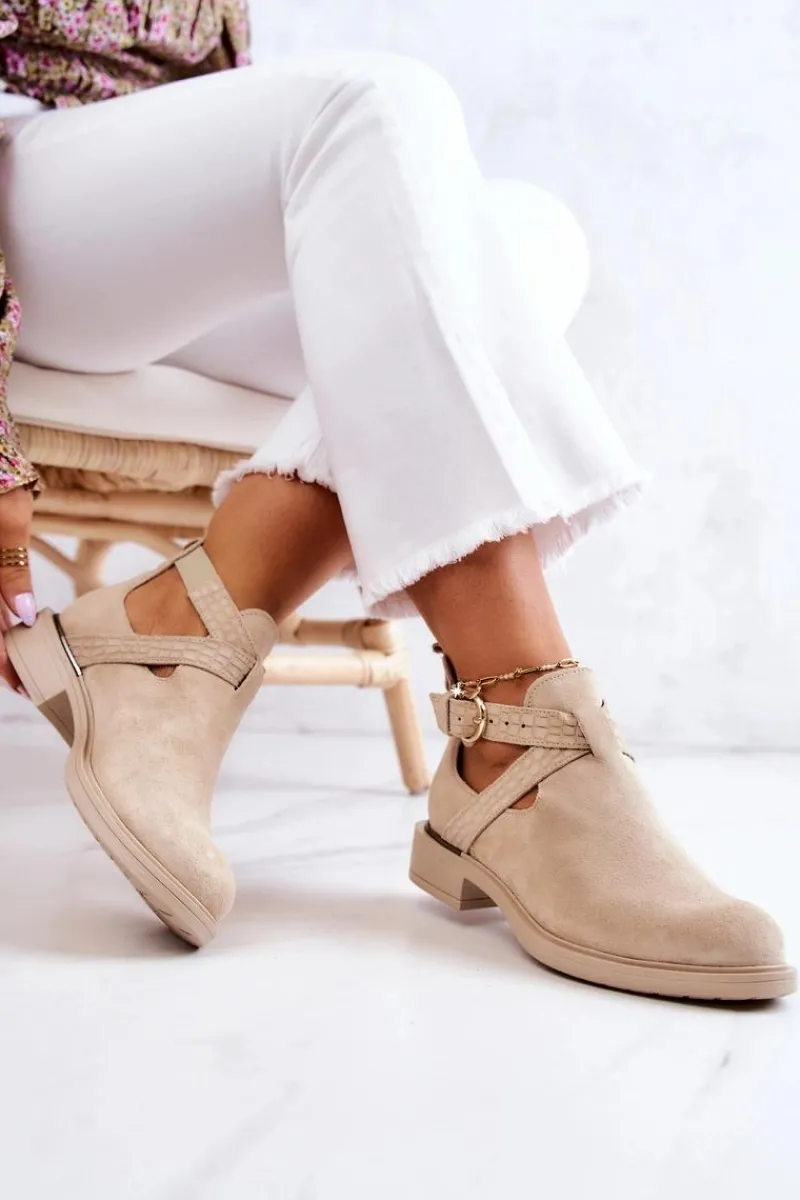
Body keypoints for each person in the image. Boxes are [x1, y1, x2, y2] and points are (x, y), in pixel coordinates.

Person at [0, 2, 793, 1001]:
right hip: (26, 207)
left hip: (146, 212)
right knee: (375, 103)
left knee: (528, 233)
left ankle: (182, 631)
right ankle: (514, 734)